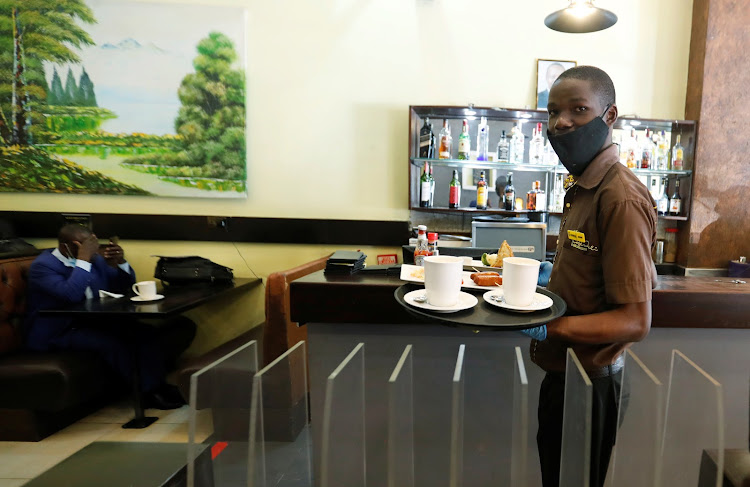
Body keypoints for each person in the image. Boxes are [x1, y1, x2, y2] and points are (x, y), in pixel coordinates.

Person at [522, 66, 657, 487]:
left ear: (609, 115)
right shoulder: (584, 187)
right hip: (563, 376)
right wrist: (550, 282)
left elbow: (635, 320)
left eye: (578, 110)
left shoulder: (620, 197)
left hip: (590, 384)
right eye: (554, 111)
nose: (561, 122)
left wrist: (551, 325)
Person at [25, 224, 196, 409]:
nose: (93, 249)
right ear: (69, 246)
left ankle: (159, 386)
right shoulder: (43, 266)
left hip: (94, 321)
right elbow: (70, 294)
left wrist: (119, 263)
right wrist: (84, 259)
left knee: (145, 333)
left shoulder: (95, 260)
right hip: (60, 330)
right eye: (86, 245)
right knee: (113, 344)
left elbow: (124, 286)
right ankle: (146, 393)